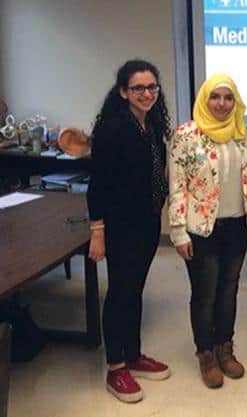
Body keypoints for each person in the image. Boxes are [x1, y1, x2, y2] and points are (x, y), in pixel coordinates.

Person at [168, 74, 247, 388]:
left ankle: (225, 348)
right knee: (205, 294)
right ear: (204, 99)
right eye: (215, 97)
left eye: (228, 98)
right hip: (201, 229)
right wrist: (178, 232)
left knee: (228, 291)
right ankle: (205, 354)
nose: (222, 104)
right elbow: (177, 187)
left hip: (237, 225)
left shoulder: (241, 133)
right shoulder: (185, 135)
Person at [87, 59, 172, 403]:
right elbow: (98, 185)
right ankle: (116, 366)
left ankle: (134, 355)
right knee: (120, 292)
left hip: (147, 221)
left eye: (152, 87)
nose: (147, 93)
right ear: (123, 91)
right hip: (120, 225)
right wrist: (97, 230)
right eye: (138, 88)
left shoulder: (150, 124)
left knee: (135, 289)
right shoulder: (112, 128)